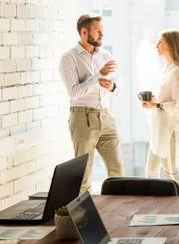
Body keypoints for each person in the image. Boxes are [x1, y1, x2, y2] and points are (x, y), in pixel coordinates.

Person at [59, 14, 123, 193]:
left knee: (117, 172)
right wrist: (99, 75)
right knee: (84, 176)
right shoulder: (69, 58)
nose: (101, 35)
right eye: (97, 31)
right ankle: (84, 220)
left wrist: (112, 86)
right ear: (84, 32)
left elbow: (119, 88)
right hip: (83, 117)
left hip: (106, 117)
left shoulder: (106, 55)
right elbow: (74, 92)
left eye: (102, 31)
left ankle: (116, 217)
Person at [140, 30, 179, 187]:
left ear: (170, 45)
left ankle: (178, 207)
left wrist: (156, 104)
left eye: (160, 42)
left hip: (171, 132)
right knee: (151, 170)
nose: (156, 45)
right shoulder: (168, 68)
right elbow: (168, 99)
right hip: (159, 129)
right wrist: (155, 101)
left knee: (171, 172)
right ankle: (155, 205)